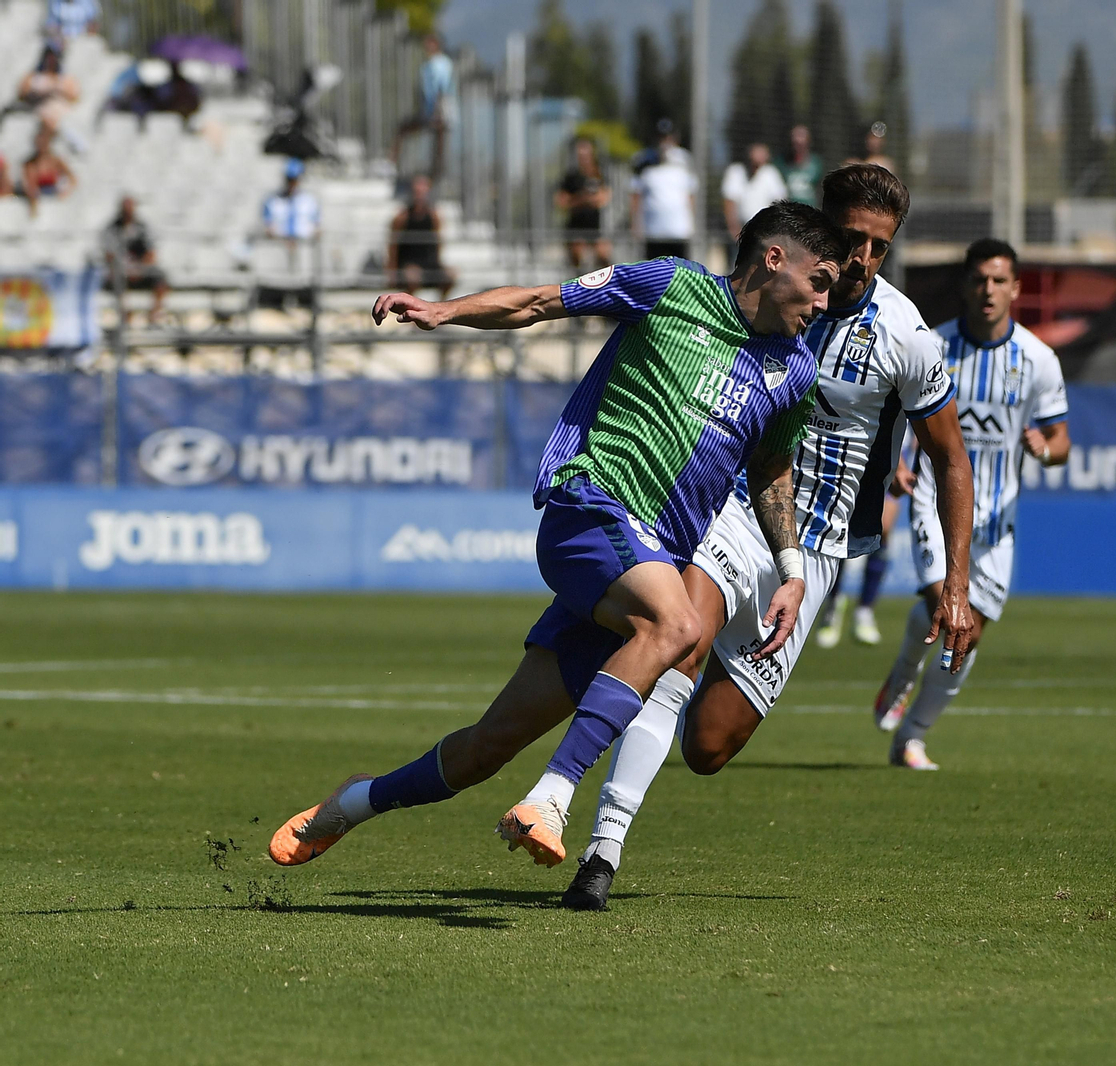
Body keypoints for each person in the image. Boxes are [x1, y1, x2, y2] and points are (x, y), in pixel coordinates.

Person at [268, 202, 849, 874]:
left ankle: (350, 805)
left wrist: (792, 569)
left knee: (486, 747)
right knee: (680, 626)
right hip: (591, 507)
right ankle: (553, 796)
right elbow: (542, 303)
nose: (825, 301)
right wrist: (444, 311)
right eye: (822, 280)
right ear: (774, 259)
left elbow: (773, 470)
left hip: (646, 561)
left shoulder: (795, 371)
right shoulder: (672, 286)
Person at [549, 164, 977, 911]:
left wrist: (956, 585)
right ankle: (599, 851)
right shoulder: (763, 301)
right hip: (736, 515)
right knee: (677, 642)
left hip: (816, 552)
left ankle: (634, 709)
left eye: (879, 246)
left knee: (709, 746)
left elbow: (950, 457)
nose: (862, 259)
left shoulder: (906, 335)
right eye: (850, 239)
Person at [873, 238, 1071, 770]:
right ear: (966, 285)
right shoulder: (931, 346)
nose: (988, 290)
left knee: (970, 631)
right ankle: (906, 693)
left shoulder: (1037, 360)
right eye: (980, 279)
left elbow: (1062, 440)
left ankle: (911, 733)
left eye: (999, 280)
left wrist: (1046, 449)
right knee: (947, 609)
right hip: (934, 501)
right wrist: (893, 460)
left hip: (997, 519)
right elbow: (891, 412)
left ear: (1016, 288)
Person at [812, 453, 913, 647]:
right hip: (861, 451)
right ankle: (833, 605)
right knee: (843, 528)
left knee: (884, 528)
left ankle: (865, 610)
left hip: (896, 452)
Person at [390, 34, 454, 184]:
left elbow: (441, 86)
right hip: (430, 108)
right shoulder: (431, 64)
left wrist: (438, 109)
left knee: (438, 137)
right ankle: (435, 171)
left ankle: (437, 172)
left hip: (438, 107)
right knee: (432, 137)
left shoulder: (440, 63)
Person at [630, 120, 698, 261]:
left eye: (667, 137)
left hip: (679, 231)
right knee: (654, 273)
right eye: (661, 137)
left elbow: (690, 194)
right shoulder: (642, 161)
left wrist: (692, 223)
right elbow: (636, 195)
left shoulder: (684, 160)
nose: (664, 142)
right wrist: (636, 224)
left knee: (680, 272)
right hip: (654, 232)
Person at [387, 174, 456, 297]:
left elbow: (438, 241)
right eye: (417, 192)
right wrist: (392, 270)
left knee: (451, 275)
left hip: (429, 262)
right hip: (409, 262)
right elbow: (393, 246)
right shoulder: (402, 217)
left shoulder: (434, 216)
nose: (420, 196)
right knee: (412, 277)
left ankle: (441, 306)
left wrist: (438, 263)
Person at [102, 195, 168, 320]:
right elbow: (109, 255)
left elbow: (151, 253)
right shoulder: (112, 229)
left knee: (161, 278)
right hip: (121, 270)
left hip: (141, 269)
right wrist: (126, 268)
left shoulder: (142, 228)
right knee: (115, 278)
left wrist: (139, 268)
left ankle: (154, 314)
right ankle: (125, 315)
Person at [721, 141, 787, 258]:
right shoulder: (736, 172)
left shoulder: (770, 174)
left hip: (763, 232)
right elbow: (729, 203)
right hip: (740, 230)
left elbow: (779, 203)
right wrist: (734, 230)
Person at [556, 136, 612, 270]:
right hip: (576, 228)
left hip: (596, 227)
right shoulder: (570, 177)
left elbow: (602, 199)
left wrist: (580, 199)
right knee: (577, 261)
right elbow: (562, 202)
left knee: (604, 258)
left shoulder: (600, 175)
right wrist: (583, 199)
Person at [19, 124, 74, 217]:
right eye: (40, 141)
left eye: (45, 141)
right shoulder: (30, 164)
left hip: (55, 196)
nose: (42, 144)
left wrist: (65, 192)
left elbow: (73, 179)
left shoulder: (56, 161)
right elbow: (30, 187)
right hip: (40, 197)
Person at [261, 159, 320, 243]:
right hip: (278, 245)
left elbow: (317, 226)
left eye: (295, 179)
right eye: (289, 179)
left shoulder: (310, 201)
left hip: (304, 246)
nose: (292, 183)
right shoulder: (272, 201)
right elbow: (266, 226)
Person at [781, 124, 822, 206]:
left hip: (810, 209)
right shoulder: (782, 163)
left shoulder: (816, 164)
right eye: (795, 143)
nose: (798, 145)